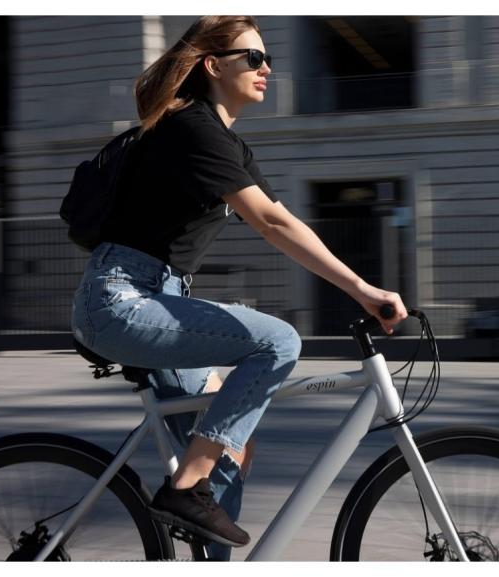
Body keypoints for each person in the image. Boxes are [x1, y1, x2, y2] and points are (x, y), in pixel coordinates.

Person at [70, 16, 407, 560]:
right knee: (278, 341)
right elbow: (271, 227)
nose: (265, 67)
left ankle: (200, 512)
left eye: (267, 57)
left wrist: (359, 287)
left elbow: (282, 216)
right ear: (213, 65)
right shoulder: (191, 128)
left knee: (229, 453)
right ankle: (183, 489)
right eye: (252, 57)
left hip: (157, 299)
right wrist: (364, 290)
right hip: (122, 299)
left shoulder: (222, 141)